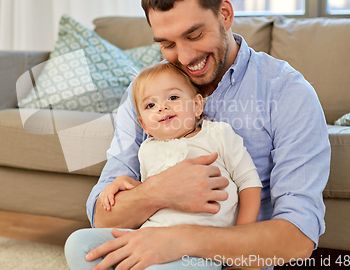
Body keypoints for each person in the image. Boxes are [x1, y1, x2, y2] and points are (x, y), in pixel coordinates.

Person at [74, 0, 330, 269]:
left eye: (194, 35)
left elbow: (298, 239)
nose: (184, 57)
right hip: (154, 243)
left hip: (228, 257)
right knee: (82, 247)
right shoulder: (145, 96)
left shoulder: (287, 93)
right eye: (167, 44)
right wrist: (159, 191)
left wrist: (181, 239)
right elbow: (101, 214)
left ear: (225, 14)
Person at [65, 62, 263, 269]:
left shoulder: (217, 134)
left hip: (202, 248)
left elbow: (249, 181)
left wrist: (241, 239)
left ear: (197, 105)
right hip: (151, 235)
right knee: (78, 244)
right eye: (150, 105)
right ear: (144, 125)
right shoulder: (147, 149)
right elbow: (155, 193)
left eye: (173, 97)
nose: (162, 107)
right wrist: (124, 182)